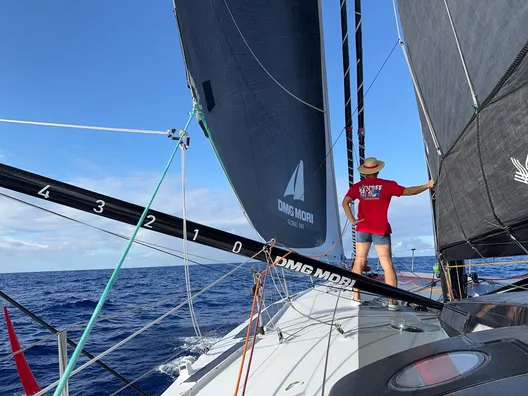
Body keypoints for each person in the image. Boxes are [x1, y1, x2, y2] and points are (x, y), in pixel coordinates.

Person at [341, 157, 434, 310]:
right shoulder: (387, 185)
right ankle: (392, 301)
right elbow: (409, 192)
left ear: (364, 173)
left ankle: (356, 296)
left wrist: (352, 220)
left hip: (362, 227)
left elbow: (345, 202)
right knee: (386, 263)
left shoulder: (358, 187)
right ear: (377, 170)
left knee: (359, 261)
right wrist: (427, 185)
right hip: (380, 228)